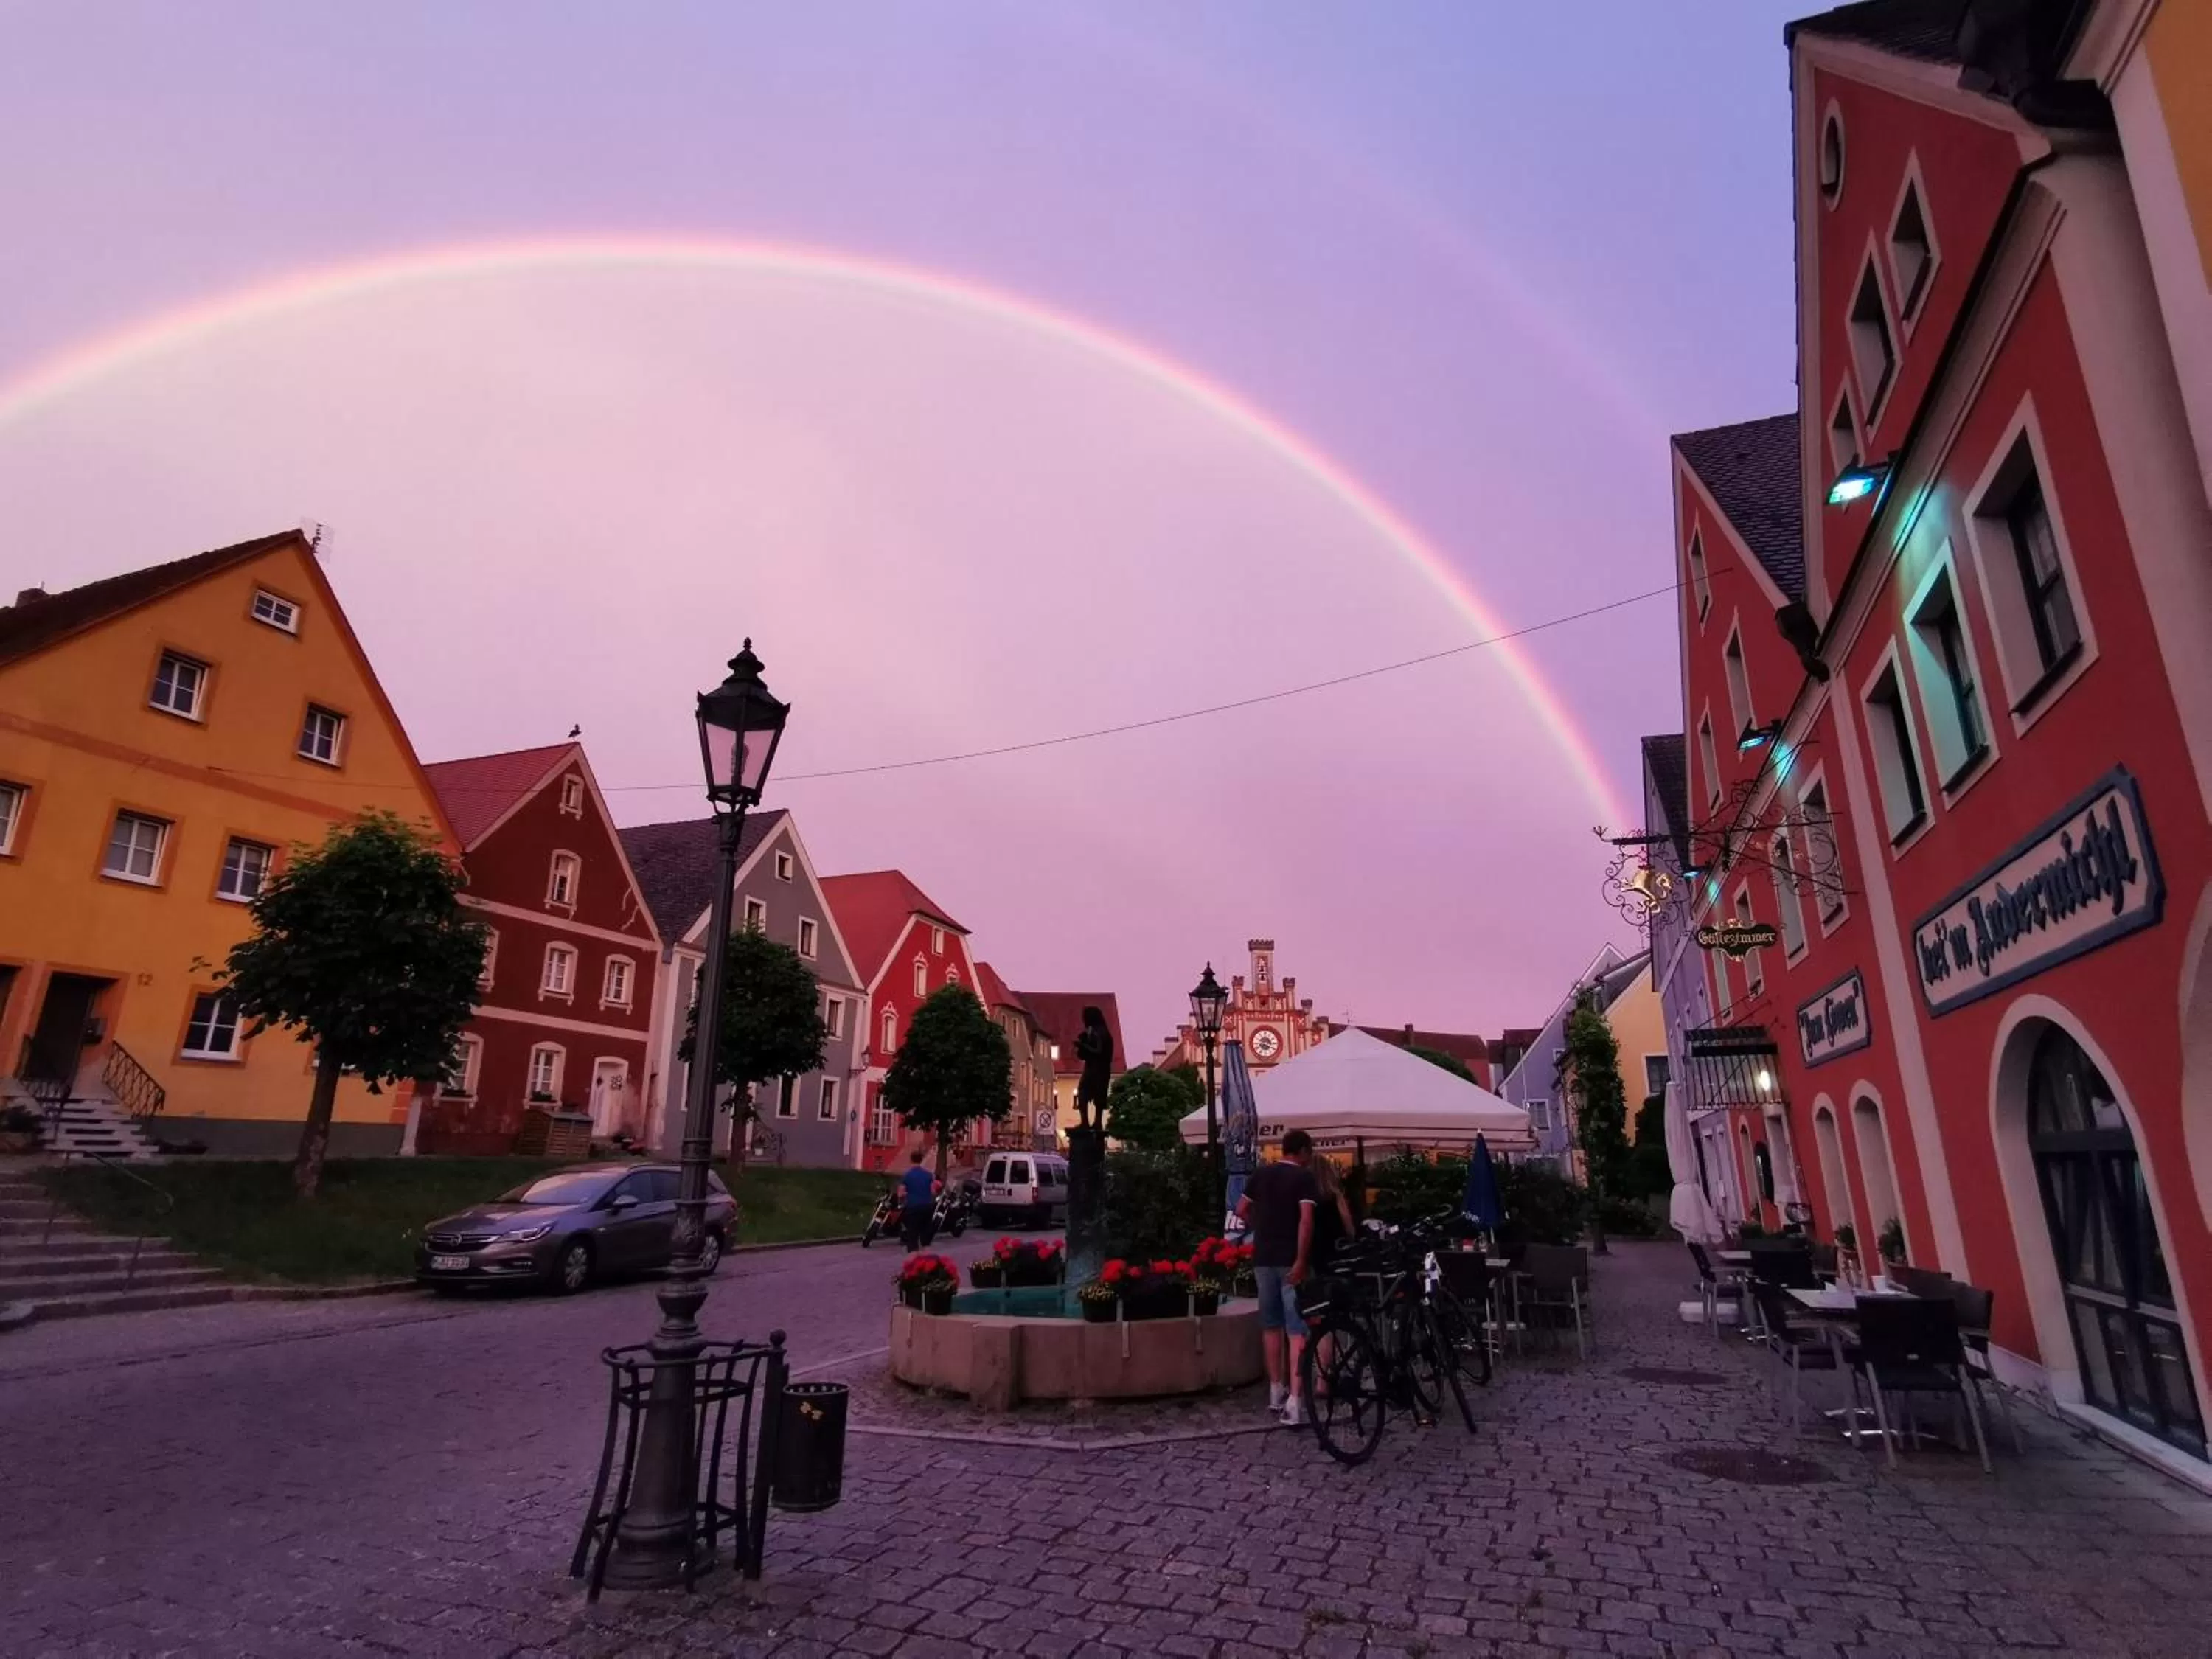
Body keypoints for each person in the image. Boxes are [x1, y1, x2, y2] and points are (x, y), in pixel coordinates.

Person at [1235, 1128, 1318, 1425]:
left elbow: (1241, 1208)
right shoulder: (1304, 1178)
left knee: (1271, 1325)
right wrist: (1302, 1259)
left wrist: (1260, 1227)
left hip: (1263, 1257)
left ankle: (1275, 1389)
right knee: (1296, 1330)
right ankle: (1295, 1400)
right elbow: (1306, 1221)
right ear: (1303, 1150)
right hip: (1289, 1259)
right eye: (1310, 1152)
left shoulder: (1261, 1174)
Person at [897, 1148, 936, 1252]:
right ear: (922, 1160)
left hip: (913, 1208)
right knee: (926, 1240)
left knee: (913, 1239)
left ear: (911, 1160)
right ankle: (927, 1260)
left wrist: (908, 1193)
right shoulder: (929, 1175)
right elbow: (933, 1192)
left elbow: (900, 1194)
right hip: (927, 1208)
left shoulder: (907, 1175)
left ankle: (914, 1258)